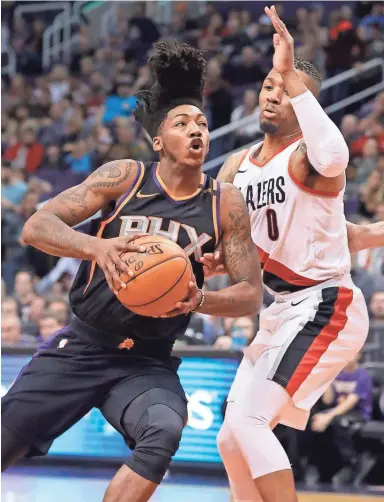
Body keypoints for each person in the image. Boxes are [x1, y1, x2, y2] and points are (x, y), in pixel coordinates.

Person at [1, 41, 262, 502]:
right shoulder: (126, 177)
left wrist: (202, 300)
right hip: (81, 347)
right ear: (159, 141)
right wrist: (96, 247)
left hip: (147, 360)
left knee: (163, 430)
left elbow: (250, 295)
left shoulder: (226, 204)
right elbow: (36, 226)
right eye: (182, 124)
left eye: (202, 123)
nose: (196, 130)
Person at [202, 6, 370, 502]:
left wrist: (293, 72)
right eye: (268, 88)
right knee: (230, 437)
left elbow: (336, 156)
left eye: (285, 90)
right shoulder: (235, 166)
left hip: (326, 303)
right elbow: (234, 239)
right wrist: (218, 258)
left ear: (305, 106)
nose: (273, 96)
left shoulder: (309, 160)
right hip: (282, 309)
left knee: (253, 423)